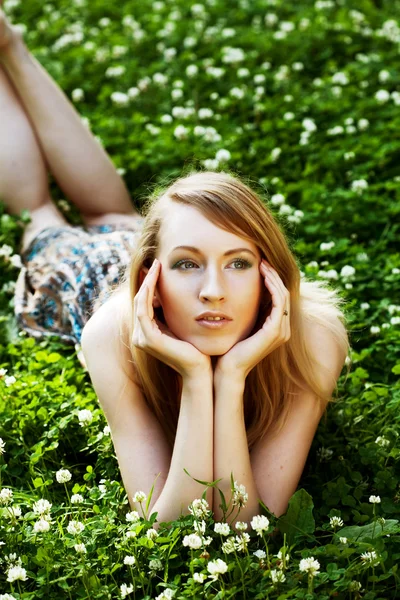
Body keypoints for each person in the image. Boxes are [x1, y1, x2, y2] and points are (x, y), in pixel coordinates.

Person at [0, 7, 351, 529]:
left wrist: (228, 378)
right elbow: (167, 527)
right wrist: (194, 376)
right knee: (42, 215)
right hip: (86, 274)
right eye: (188, 264)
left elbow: (242, 522)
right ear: (151, 278)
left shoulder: (315, 336)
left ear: (270, 273)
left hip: (146, 248)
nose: (214, 291)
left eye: (238, 262)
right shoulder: (110, 333)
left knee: (112, 215)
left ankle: (10, 44)